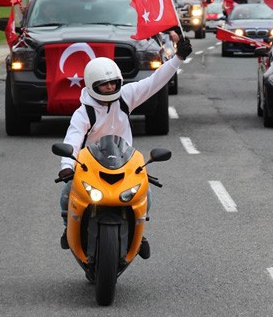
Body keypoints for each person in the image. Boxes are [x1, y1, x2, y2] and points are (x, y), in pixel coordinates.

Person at [57, 29, 192, 256]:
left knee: (145, 195)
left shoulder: (126, 97)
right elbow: (72, 138)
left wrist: (178, 57)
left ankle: (138, 234)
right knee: (66, 193)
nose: (110, 87)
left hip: (124, 160)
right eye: (104, 84)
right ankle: (68, 229)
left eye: (113, 83)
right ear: (91, 85)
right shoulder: (83, 113)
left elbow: (154, 81)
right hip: (90, 165)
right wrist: (66, 167)